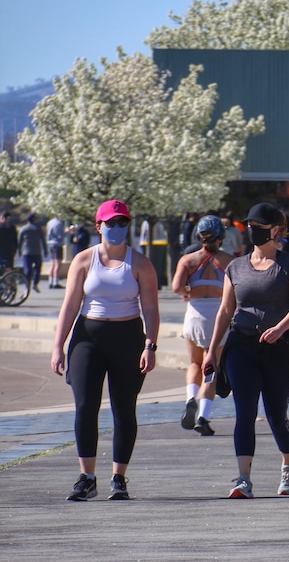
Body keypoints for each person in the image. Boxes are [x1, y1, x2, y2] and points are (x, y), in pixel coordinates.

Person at [50, 199, 159, 501]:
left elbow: (150, 308)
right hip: (88, 337)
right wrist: (58, 346)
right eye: (111, 223)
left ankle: (119, 477)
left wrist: (150, 344)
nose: (116, 228)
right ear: (99, 226)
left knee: (124, 409)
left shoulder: (140, 264)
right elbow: (70, 305)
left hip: (127, 338)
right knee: (86, 407)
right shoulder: (84, 261)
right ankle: (86, 477)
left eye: (122, 223)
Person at [202, 202, 289, 499]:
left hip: (279, 347)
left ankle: (288, 463)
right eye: (250, 225)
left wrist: (280, 328)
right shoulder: (236, 266)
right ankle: (243, 479)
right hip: (242, 345)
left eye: (259, 226)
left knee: (276, 415)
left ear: (275, 230)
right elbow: (226, 310)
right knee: (245, 412)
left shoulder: (288, 264)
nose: (253, 230)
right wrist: (212, 350)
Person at [171, 215, 236, 436]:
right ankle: (203, 416)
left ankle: (190, 398)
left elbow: (176, 286)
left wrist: (188, 293)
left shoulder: (188, 260)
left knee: (194, 363)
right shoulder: (229, 261)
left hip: (195, 313)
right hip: (218, 313)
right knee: (212, 367)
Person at [18, 213, 48, 293]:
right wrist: (45, 250)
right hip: (35, 252)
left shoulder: (23, 229)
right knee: (37, 269)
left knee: (28, 270)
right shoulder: (37, 229)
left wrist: (19, 251)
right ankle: (34, 284)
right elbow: (43, 240)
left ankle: (27, 287)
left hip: (27, 252)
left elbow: (20, 241)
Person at [46, 214, 66, 289]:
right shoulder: (59, 224)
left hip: (50, 244)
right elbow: (60, 236)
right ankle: (55, 282)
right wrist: (67, 232)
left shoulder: (49, 222)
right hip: (57, 244)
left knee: (52, 264)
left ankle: (50, 281)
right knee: (58, 264)